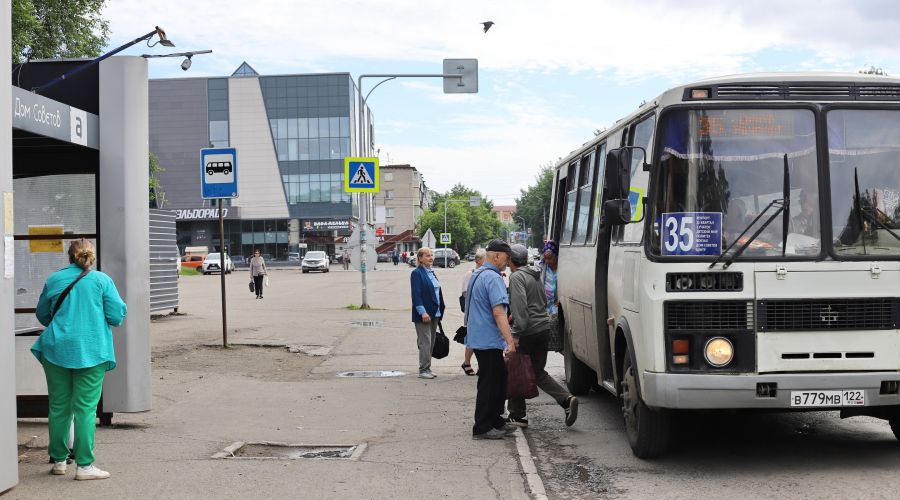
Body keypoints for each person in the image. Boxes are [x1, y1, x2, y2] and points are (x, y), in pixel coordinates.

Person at [31, 239, 127, 480]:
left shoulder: (54, 280)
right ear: (90, 256)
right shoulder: (102, 281)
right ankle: (84, 466)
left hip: (56, 350)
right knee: (85, 409)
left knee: (58, 407)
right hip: (91, 350)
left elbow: (43, 314)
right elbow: (116, 315)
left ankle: (59, 461)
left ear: (69, 256)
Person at [506, 244, 578, 428]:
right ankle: (566, 400)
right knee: (537, 372)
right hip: (542, 328)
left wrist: (515, 334)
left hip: (527, 331)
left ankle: (518, 415)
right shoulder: (535, 274)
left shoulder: (516, 277)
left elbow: (521, 307)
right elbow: (543, 301)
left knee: (517, 371)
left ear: (511, 260)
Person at [465, 239, 517, 440]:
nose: (507, 262)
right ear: (496, 256)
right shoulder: (493, 278)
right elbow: (499, 313)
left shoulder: (477, 274)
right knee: (489, 382)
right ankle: (482, 426)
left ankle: (496, 420)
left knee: (498, 378)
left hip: (479, 336)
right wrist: (510, 341)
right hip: (487, 338)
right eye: (506, 258)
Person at [410, 247, 445, 379]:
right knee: (425, 342)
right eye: (427, 255)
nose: (431, 258)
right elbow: (416, 295)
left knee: (432, 341)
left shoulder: (431, 272)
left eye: (432, 255)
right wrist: (422, 312)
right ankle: (423, 370)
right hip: (424, 314)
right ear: (420, 258)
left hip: (435, 313)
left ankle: (428, 368)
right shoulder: (417, 273)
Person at [459, 248, 486, 376]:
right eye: (486, 259)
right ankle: (467, 363)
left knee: (481, 338)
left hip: (482, 312)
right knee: (473, 338)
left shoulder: (486, 273)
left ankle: (482, 365)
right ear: (478, 260)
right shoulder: (471, 273)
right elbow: (465, 292)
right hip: (473, 312)